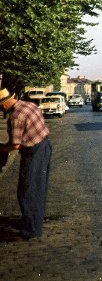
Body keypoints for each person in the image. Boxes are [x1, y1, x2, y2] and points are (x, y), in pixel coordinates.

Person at [0, 88, 52, 239]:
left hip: (34, 152)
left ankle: (31, 230)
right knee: (38, 188)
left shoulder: (15, 116)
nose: (1, 109)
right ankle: (35, 222)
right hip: (45, 145)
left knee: (27, 191)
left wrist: (1, 148)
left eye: (1, 105)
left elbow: (15, 145)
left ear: (5, 103)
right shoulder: (29, 105)